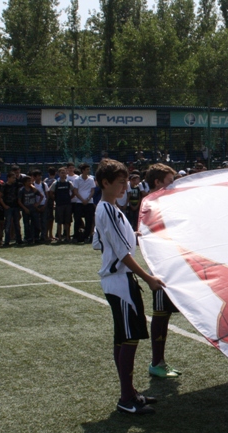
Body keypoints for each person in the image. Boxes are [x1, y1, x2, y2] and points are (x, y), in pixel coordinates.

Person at [91, 158, 165, 415]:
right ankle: (126, 398)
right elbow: (121, 253)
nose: (125, 187)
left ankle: (130, 391)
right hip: (120, 281)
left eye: (126, 182)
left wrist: (133, 236)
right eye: (121, 182)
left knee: (124, 337)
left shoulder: (110, 208)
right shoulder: (108, 209)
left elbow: (101, 243)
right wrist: (148, 278)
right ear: (105, 182)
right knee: (129, 338)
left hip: (121, 281)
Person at [142, 163, 183, 379]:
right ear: (157, 182)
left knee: (165, 314)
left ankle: (160, 362)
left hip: (175, 266)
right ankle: (157, 362)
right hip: (161, 269)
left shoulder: (166, 203)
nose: (173, 185)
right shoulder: (150, 205)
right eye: (170, 181)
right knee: (161, 314)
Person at [50, 167, 74, 243]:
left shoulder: (69, 183)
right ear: (58, 174)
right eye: (62, 173)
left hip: (67, 204)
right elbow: (51, 192)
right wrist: (55, 199)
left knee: (68, 222)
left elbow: (74, 192)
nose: (63, 174)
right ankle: (59, 237)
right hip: (59, 205)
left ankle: (67, 237)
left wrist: (69, 198)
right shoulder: (55, 183)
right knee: (59, 222)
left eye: (64, 172)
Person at [72, 163, 96, 243]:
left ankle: (86, 236)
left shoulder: (91, 179)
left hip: (89, 203)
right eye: (87, 169)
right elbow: (75, 191)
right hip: (79, 202)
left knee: (89, 220)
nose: (88, 171)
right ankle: (76, 236)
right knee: (77, 219)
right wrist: (82, 200)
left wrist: (88, 199)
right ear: (83, 171)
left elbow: (92, 190)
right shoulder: (77, 180)